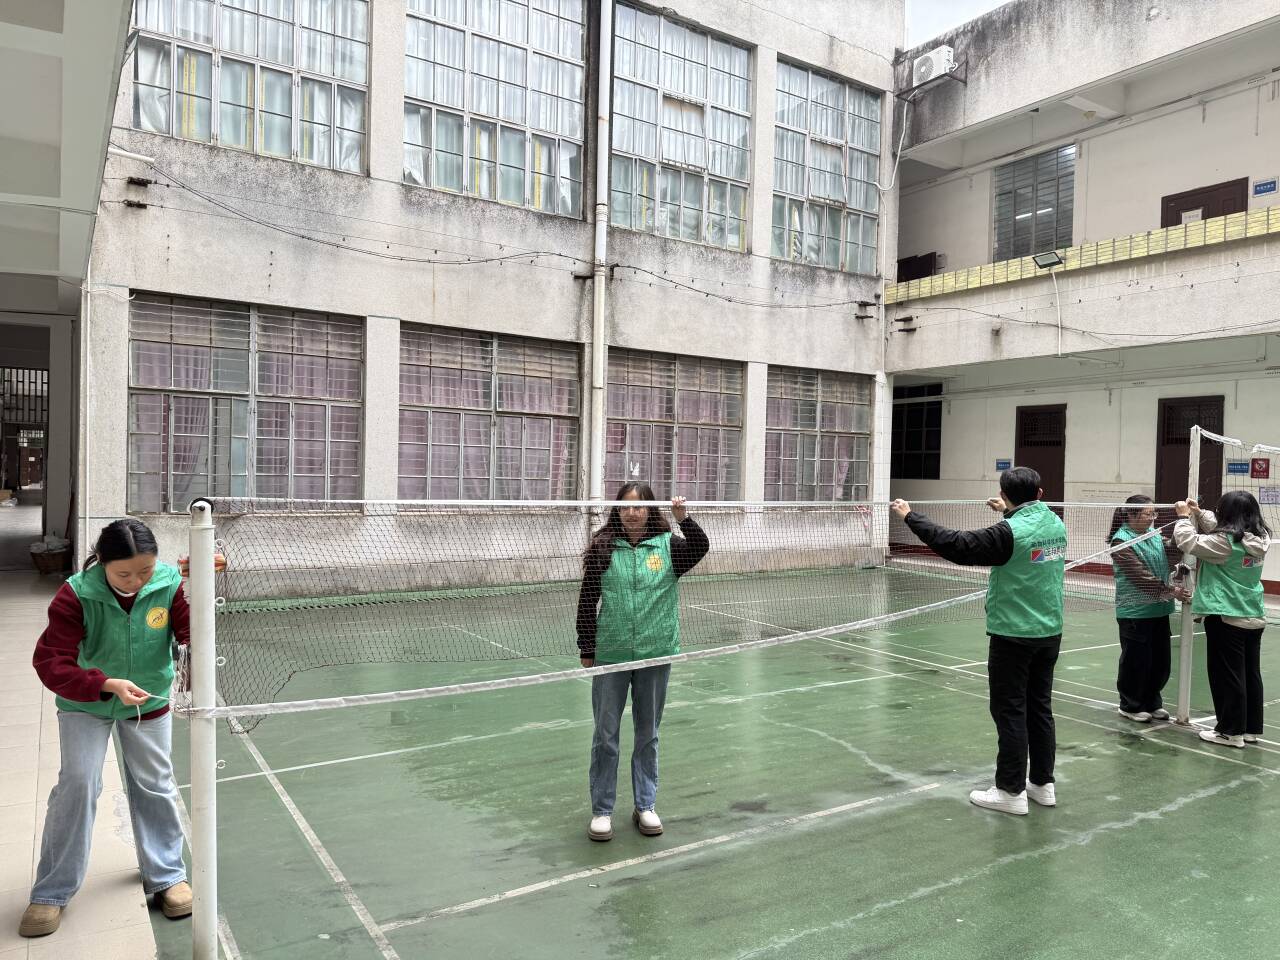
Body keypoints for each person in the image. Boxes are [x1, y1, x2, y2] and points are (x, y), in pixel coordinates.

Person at [21, 519, 192, 938]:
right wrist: (104, 684)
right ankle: (52, 891)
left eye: (145, 571)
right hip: (86, 702)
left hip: (148, 700)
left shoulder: (169, 583)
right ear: (101, 562)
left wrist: (203, 583)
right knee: (78, 784)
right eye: (124, 574)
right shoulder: (76, 594)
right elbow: (51, 662)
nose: (136, 581)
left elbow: (193, 634)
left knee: (155, 784)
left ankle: (167, 875)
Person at [890, 466, 1066, 816]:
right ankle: (1042, 784)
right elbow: (1025, 534)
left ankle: (1010, 791)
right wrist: (1007, 511)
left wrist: (910, 516)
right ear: (1040, 494)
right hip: (1049, 632)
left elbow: (957, 546)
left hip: (1014, 634)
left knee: (1010, 711)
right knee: (1039, 709)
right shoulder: (1055, 523)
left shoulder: (1008, 533)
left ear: (1004, 495)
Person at [576, 483, 709, 841]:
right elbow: (587, 600)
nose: (632, 513)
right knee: (606, 735)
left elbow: (700, 547)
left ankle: (645, 805)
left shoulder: (669, 547)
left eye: (638, 506)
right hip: (612, 654)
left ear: (650, 510)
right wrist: (587, 646)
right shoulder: (603, 548)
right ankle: (602, 811)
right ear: (617, 511)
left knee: (647, 734)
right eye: (625, 506)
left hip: (656, 652)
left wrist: (684, 519)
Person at [1173, 492, 1271, 748]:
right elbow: (1220, 529)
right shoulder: (1261, 538)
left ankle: (1230, 731)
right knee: (1250, 674)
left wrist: (1183, 518)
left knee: (1226, 676)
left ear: (1226, 514)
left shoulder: (1225, 544)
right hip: (1253, 614)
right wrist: (1199, 513)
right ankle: (1249, 729)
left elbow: (1188, 541)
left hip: (1226, 615)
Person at [1108, 495, 1185, 722]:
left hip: (1159, 609)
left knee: (1160, 662)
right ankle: (1130, 705)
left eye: (1154, 513)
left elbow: (1170, 555)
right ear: (1131, 514)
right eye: (1148, 514)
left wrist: (1183, 530)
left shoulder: (1153, 534)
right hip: (1135, 611)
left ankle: (1152, 702)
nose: (1152, 518)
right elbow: (1140, 577)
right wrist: (1170, 591)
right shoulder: (1121, 541)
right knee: (1136, 661)